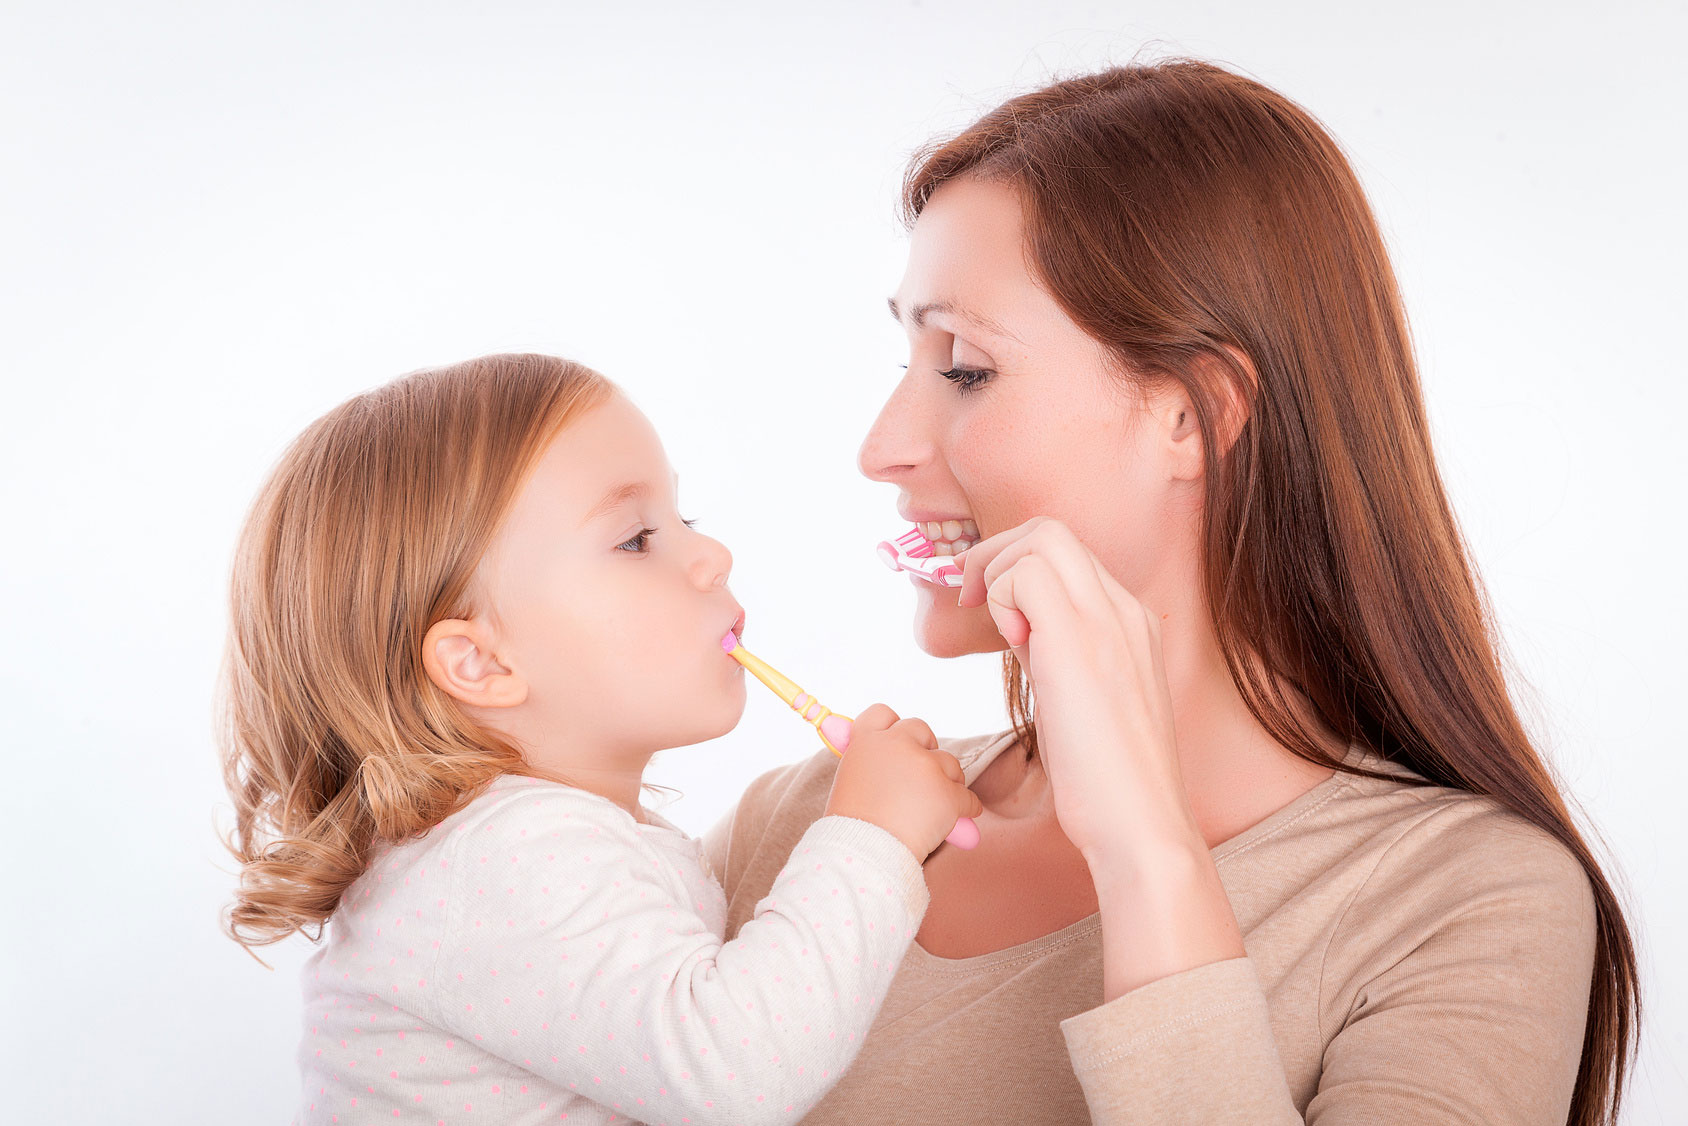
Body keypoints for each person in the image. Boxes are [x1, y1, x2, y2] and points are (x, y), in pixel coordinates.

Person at [703, 59, 1640, 1125]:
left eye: (962, 366)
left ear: (1193, 417)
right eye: (904, 359)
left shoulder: (1462, 903)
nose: (882, 448)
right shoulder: (803, 832)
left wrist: (1144, 849)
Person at [215, 354, 984, 1125]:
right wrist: (872, 835)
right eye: (636, 540)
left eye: (685, 519)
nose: (711, 555)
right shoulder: (499, 860)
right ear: (480, 661)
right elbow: (740, 1073)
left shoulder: (511, 848)